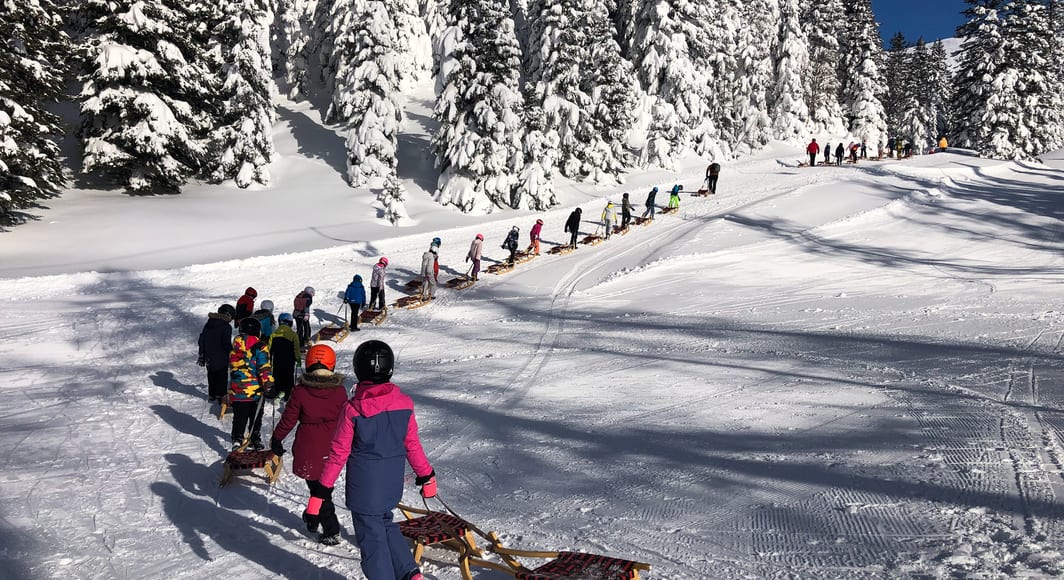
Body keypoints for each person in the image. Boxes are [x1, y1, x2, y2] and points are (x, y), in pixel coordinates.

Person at [313, 340, 436, 579]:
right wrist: (427, 475)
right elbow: (412, 445)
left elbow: (339, 453)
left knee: (372, 541)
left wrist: (322, 489)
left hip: (364, 490)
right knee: (387, 524)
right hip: (390, 486)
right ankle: (410, 572)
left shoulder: (353, 410)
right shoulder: (404, 404)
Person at [270, 344, 349, 545]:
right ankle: (313, 516)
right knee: (322, 486)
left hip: (309, 448)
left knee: (318, 489)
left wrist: (277, 438)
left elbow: (288, 419)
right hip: (334, 447)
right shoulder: (339, 391)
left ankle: (330, 529)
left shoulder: (301, 391)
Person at [229, 317, 274, 450]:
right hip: (254, 391)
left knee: (239, 416)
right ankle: (254, 438)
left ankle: (237, 438)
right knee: (255, 416)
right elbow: (264, 368)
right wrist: (269, 385)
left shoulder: (235, 348)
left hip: (237, 390)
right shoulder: (260, 347)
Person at [198, 304, 235, 403]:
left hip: (209, 356)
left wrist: (201, 354)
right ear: (227, 315)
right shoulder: (226, 327)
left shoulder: (209, 323)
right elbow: (226, 343)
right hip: (221, 356)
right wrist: (233, 351)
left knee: (211, 375)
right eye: (231, 317)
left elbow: (202, 339)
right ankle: (221, 396)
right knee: (222, 377)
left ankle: (212, 394)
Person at [268, 312, 301, 401]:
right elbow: (296, 349)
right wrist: (298, 360)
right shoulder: (293, 335)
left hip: (277, 361)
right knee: (289, 377)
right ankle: (288, 393)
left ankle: (277, 390)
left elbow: (269, 350)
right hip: (289, 361)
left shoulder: (273, 335)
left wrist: (269, 362)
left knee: (277, 376)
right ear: (290, 323)